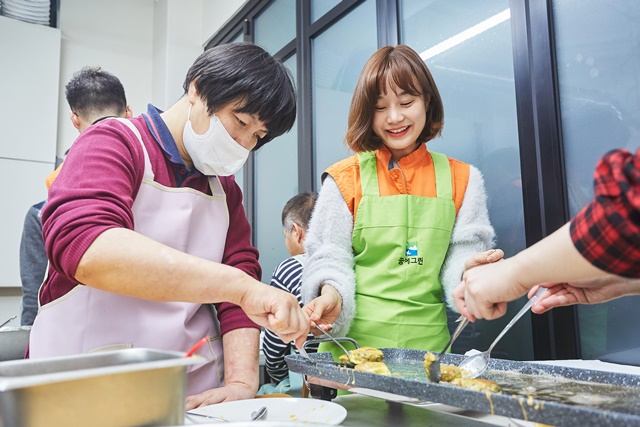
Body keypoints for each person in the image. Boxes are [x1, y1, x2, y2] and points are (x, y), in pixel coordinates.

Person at [31, 42, 309, 409]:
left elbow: (240, 277)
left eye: (257, 136)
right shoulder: (115, 142)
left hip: (192, 396)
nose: (243, 144)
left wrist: (242, 382)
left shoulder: (225, 191)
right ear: (197, 88)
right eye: (241, 122)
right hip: (85, 387)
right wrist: (241, 288)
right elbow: (87, 246)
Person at [301, 45, 502, 361]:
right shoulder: (344, 179)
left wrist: (470, 273)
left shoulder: (464, 178)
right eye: (380, 107)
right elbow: (330, 257)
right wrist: (329, 296)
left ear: (427, 102)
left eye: (406, 102)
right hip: (350, 354)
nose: (394, 118)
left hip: (428, 355)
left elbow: (462, 255)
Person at [453, 148, 640, 321]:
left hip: (530, 277)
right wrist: (620, 282)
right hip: (573, 274)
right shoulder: (568, 188)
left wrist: (512, 273)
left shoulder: (506, 190)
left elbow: (625, 215)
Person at [19, 66, 132, 326]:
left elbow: (34, 299)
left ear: (75, 119)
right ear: (128, 113)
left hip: (70, 339)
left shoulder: (41, 213)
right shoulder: (158, 193)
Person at [260, 192, 319, 396]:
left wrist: (279, 378)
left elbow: (274, 347)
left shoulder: (289, 268)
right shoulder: (351, 263)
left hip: (307, 384)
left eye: (285, 237)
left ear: (296, 232)